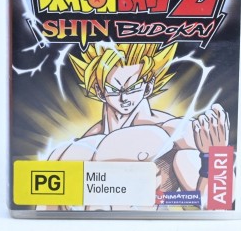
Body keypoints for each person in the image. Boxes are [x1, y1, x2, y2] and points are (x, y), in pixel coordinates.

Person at [41, 42, 230, 210]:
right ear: (99, 91)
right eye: (114, 89)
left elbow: (218, 203)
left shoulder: (173, 132)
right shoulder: (78, 145)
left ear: (148, 86)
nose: (123, 97)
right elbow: (47, 207)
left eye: (133, 87)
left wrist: (215, 155)